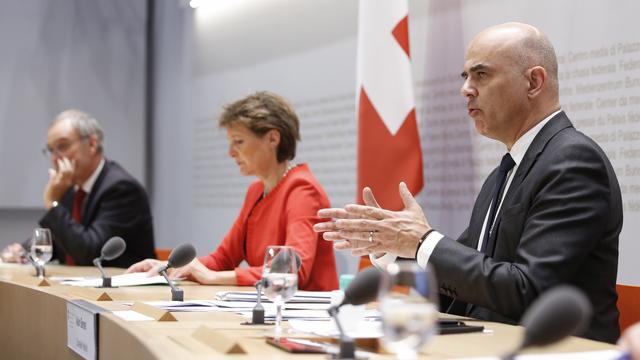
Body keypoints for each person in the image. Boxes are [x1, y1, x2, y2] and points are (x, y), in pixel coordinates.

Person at [314, 22, 622, 343]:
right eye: (466, 77)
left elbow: (528, 291)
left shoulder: (572, 162)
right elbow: (466, 281)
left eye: (481, 75)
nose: (466, 89)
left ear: (533, 82)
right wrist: (395, 247)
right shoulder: (505, 171)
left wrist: (421, 242)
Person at [127, 91, 338, 291]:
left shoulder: (302, 189)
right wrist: (169, 267)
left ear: (273, 138)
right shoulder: (256, 191)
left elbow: (293, 272)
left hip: (306, 318)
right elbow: (223, 259)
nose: (230, 152)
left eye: (239, 141)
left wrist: (213, 278)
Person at [0, 109, 155, 267]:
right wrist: (22, 250)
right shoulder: (71, 188)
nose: (55, 157)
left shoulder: (121, 188)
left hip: (123, 289)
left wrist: (52, 202)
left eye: (63, 146)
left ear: (92, 144)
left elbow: (90, 253)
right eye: (51, 150)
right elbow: (60, 240)